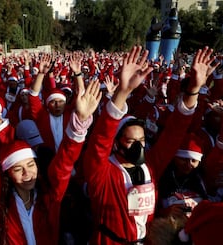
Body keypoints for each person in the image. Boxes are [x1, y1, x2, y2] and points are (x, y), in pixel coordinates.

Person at [83, 45, 216, 244]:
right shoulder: (103, 172)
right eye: (130, 141)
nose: (138, 146)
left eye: (142, 141)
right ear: (117, 143)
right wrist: (122, 92)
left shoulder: (150, 165)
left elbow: (174, 133)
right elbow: (100, 140)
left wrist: (193, 90)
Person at [0, 72, 101, 244]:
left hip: (70, 173)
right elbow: (34, 97)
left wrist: (78, 75)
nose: (57, 105)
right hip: (50, 171)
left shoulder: (69, 115)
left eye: (61, 101)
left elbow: (81, 99)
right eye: (53, 101)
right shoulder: (41, 117)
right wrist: (41, 74)